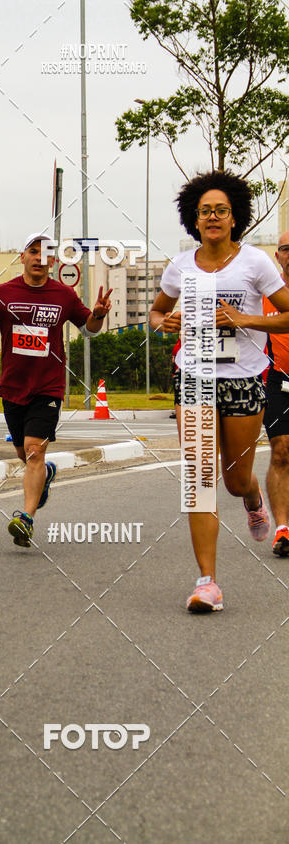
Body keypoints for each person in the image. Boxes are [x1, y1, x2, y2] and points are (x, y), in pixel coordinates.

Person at [150, 170, 289, 612]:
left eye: (221, 210)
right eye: (205, 210)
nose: (213, 217)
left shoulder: (256, 264)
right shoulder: (180, 266)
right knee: (199, 476)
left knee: (232, 480)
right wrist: (163, 324)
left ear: (234, 219)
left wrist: (247, 320)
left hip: (244, 379)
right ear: (195, 218)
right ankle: (207, 582)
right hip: (192, 376)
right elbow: (156, 313)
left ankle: (251, 495)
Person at [0, 232, 112, 547]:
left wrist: (98, 315)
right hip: (13, 387)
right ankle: (46, 475)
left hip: (48, 386)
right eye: (34, 252)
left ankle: (26, 519)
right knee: (22, 453)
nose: (40, 258)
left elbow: (89, 330)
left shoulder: (64, 295)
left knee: (33, 450)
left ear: (52, 262)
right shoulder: (2, 293)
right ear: (22, 257)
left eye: (46, 254)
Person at [263, 231, 289, 557]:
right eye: (286, 248)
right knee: (281, 452)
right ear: (278, 256)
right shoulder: (264, 295)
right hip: (279, 382)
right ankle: (283, 529)